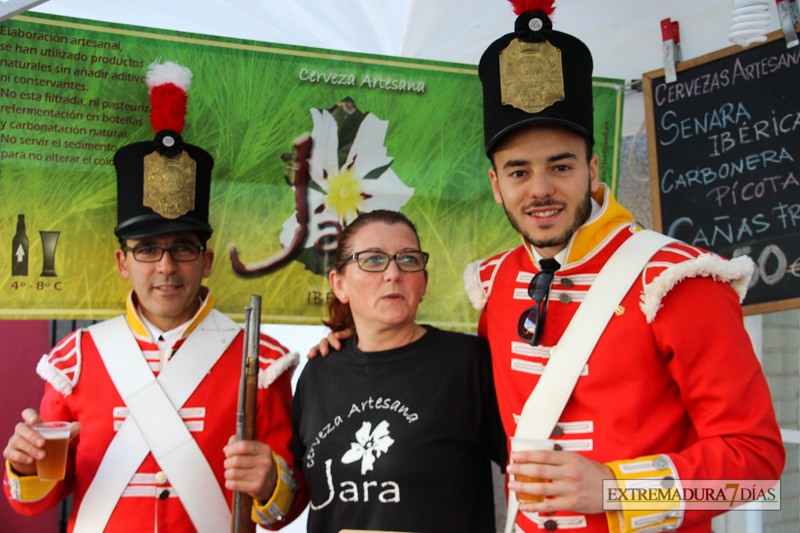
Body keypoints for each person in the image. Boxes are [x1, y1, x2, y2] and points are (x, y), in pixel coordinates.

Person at [312, 3, 786, 533]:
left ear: (592, 168)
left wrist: (614, 489)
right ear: (496, 185)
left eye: (560, 165)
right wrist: (349, 348)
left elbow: (757, 471)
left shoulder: (678, 279)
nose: (540, 189)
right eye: (519, 171)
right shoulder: (496, 283)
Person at [3, 60, 308, 532]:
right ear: (123, 263)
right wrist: (26, 465)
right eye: (147, 250)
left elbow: (282, 512)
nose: (166, 266)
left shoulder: (262, 362)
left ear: (205, 262)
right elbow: (38, 499)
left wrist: (270, 484)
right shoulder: (75, 360)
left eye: (183, 248)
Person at [292, 209, 507, 533]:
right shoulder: (319, 373)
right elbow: (295, 495)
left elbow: (537, 470)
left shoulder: (468, 364)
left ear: (423, 283)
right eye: (373, 259)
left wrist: (611, 493)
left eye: (408, 260)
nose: (393, 273)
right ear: (339, 285)